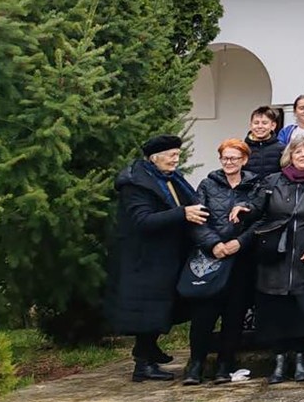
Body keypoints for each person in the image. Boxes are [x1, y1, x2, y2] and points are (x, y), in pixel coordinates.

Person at [232, 136, 304, 384]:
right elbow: (257, 207)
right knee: (275, 310)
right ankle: (278, 361)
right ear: (290, 156)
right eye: (298, 152)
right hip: (274, 255)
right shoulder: (273, 181)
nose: (303, 155)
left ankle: (300, 358)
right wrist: (243, 207)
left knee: (301, 310)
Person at [106, 134, 205, 382]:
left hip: (166, 255)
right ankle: (143, 364)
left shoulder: (170, 178)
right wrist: (182, 214)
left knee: (162, 307)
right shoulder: (136, 185)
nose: (176, 159)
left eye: (177, 155)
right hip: (144, 258)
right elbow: (143, 220)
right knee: (147, 310)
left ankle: (149, 350)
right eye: (171, 155)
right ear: (154, 158)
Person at [184, 139, 261, 384]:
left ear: (244, 160)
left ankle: (225, 365)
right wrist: (214, 244)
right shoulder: (208, 184)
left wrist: (240, 242)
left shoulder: (255, 185)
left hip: (241, 258)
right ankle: (196, 364)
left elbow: (261, 219)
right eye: (225, 158)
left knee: (234, 314)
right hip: (212, 258)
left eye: (234, 158)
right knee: (203, 315)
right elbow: (197, 220)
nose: (229, 162)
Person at [244, 106, 285, 179]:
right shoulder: (243, 148)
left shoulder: (282, 149)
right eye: (256, 123)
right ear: (251, 125)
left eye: (264, 123)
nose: (260, 126)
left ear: (273, 126)